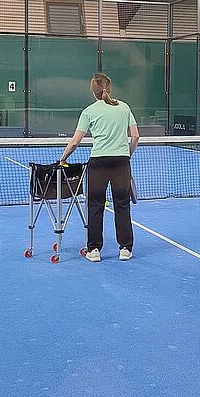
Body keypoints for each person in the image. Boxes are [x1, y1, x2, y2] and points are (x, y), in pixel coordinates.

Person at [59, 73, 140, 262]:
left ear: (93, 91)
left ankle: (94, 250)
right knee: (122, 205)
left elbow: (75, 142)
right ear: (109, 88)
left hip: (98, 164)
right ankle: (125, 249)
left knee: (95, 205)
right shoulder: (124, 107)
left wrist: (63, 158)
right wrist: (127, 154)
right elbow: (135, 136)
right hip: (121, 163)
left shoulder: (89, 111)